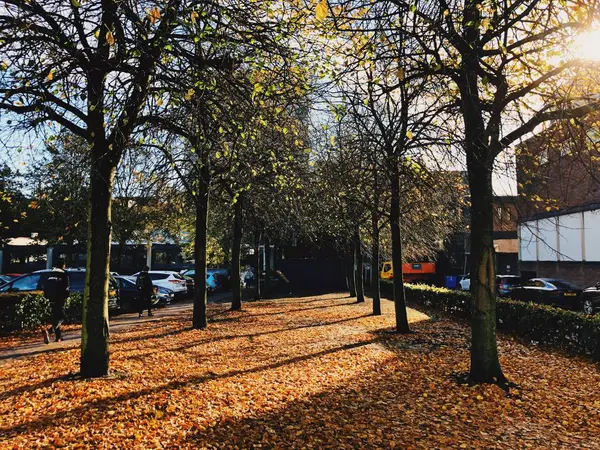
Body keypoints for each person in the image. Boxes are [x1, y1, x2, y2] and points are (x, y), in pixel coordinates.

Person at [42, 259, 70, 343]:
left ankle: (58, 337)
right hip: (60, 298)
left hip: (51, 298)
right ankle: (50, 331)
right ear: (63, 265)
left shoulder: (50, 274)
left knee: (56, 317)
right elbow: (66, 287)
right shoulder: (64, 274)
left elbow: (45, 286)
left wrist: (47, 296)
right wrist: (66, 296)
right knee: (62, 317)